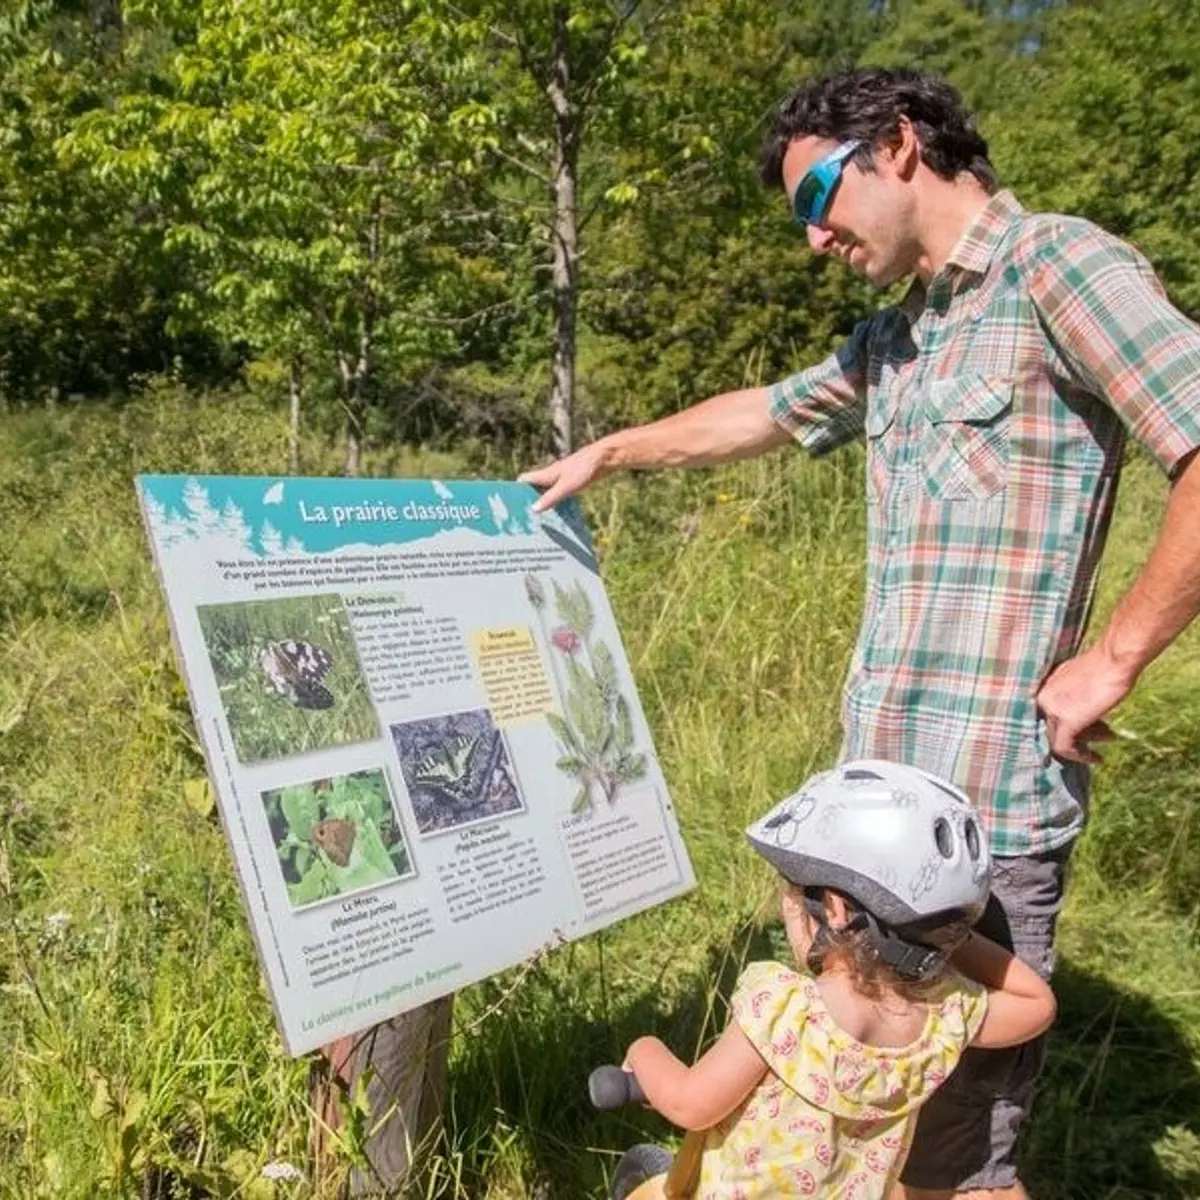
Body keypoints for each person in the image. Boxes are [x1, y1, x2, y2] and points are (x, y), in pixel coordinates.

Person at [521, 66, 1200, 1198]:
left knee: (961, 1161)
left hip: (982, 825)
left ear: (897, 145)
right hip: (862, 825)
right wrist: (614, 450)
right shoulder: (899, 337)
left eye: (815, 197)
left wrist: (1116, 658)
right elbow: (763, 416)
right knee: (852, 1138)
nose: (811, 236)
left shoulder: (1059, 268)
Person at [611, 759, 1055, 1200]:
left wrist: (643, 1051)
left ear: (836, 909)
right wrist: (945, 933)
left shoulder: (787, 1011)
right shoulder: (940, 1018)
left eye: (794, 896)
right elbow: (1036, 1004)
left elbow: (690, 1104)